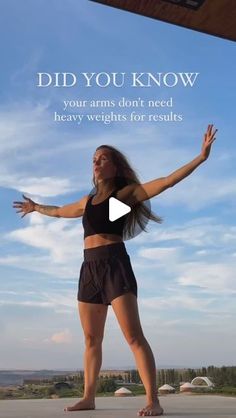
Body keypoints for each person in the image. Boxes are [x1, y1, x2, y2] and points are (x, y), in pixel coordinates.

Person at [13, 124, 217, 416]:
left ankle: (153, 400)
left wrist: (201, 157)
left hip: (114, 265)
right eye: (93, 159)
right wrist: (35, 207)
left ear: (115, 165)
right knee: (91, 339)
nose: (95, 162)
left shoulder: (126, 195)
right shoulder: (87, 201)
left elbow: (168, 181)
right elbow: (59, 211)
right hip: (89, 268)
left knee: (134, 337)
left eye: (102, 158)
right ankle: (89, 397)